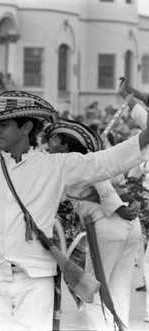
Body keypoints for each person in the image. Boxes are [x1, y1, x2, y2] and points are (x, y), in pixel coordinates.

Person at [0, 57, 149, 330]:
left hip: (36, 280)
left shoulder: (53, 165)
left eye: (3, 125)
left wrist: (146, 136)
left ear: (26, 128)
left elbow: (107, 161)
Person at [46, 119, 141, 330]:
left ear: (64, 144)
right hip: (129, 226)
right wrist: (126, 202)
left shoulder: (75, 162)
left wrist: (118, 206)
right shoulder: (86, 160)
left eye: (53, 139)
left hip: (108, 223)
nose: (48, 143)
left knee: (94, 292)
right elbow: (118, 181)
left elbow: (102, 182)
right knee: (118, 291)